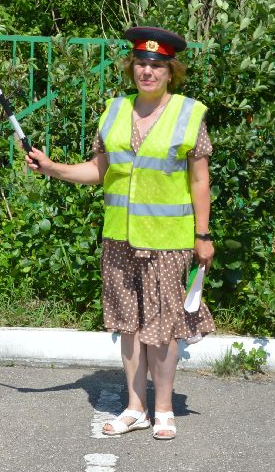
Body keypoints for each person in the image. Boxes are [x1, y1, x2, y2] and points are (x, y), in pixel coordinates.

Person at [24, 25, 215, 441]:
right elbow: (100, 171)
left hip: (168, 241)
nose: (148, 72)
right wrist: (54, 168)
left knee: (162, 328)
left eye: (157, 66)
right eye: (142, 64)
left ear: (171, 71)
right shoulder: (114, 111)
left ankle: (163, 409)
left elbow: (200, 181)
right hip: (119, 238)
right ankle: (135, 407)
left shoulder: (189, 113)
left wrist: (203, 235)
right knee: (128, 326)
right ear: (133, 68)